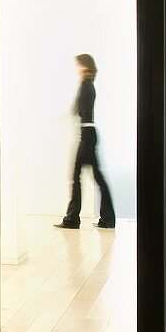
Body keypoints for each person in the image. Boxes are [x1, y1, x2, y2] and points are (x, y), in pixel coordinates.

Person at [55, 53, 116, 230]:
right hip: (90, 134)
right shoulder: (90, 86)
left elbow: (77, 109)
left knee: (77, 177)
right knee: (97, 177)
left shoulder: (85, 85)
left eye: (79, 65)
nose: (77, 68)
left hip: (87, 135)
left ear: (85, 66)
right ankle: (106, 218)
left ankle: (73, 219)